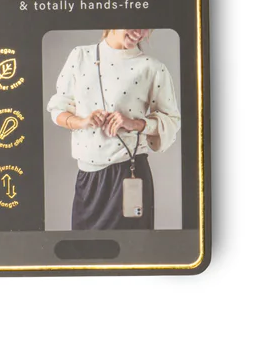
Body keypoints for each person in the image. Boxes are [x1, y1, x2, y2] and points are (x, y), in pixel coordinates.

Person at [47, 28, 181, 230]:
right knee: (85, 248)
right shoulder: (80, 56)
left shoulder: (152, 68)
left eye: (146, 27)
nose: (140, 32)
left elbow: (171, 120)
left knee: (132, 248)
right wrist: (82, 121)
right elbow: (58, 109)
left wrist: (134, 123)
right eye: (134, 23)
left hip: (128, 172)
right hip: (87, 178)